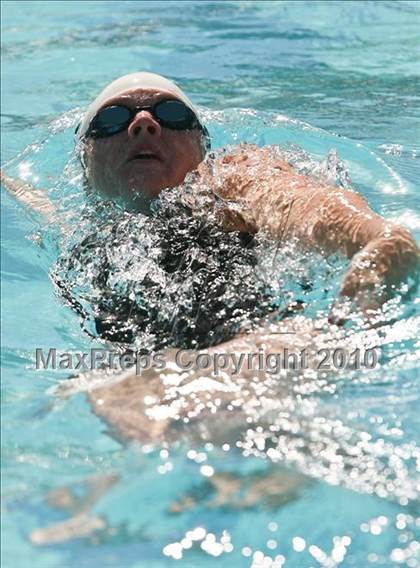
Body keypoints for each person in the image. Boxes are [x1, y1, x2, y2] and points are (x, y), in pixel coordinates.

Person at [2, 71, 418, 320]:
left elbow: (300, 203)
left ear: (203, 150)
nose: (144, 123)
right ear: (86, 168)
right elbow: (40, 206)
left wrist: (373, 239)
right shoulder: (83, 228)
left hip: (255, 349)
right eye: (112, 119)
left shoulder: (231, 178)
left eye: (171, 114)